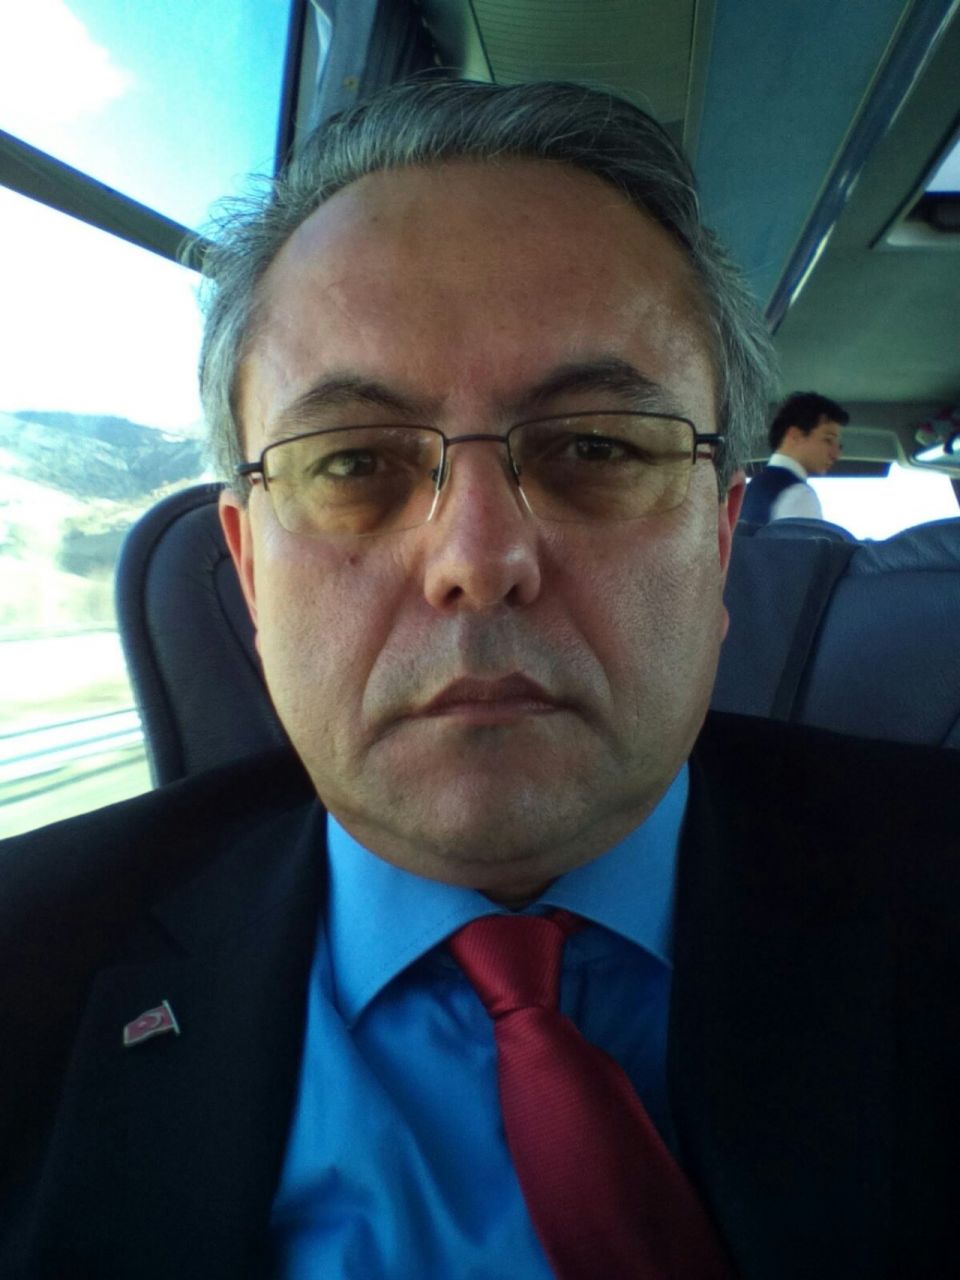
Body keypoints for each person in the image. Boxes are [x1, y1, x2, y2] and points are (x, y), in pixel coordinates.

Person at [1, 80, 957, 1280]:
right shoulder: (26, 969)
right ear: (248, 573)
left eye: (596, 446)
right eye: (354, 463)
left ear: (720, 542)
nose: (478, 559)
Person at [740, 391, 848, 524]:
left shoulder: (747, 492)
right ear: (795, 435)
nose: (836, 455)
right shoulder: (800, 494)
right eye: (828, 440)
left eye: (839, 446)